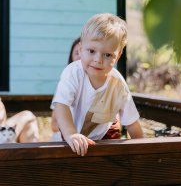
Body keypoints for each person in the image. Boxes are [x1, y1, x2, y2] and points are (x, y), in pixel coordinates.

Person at [52, 13, 144, 156]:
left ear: (118, 55)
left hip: (103, 136)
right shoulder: (73, 72)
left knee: (110, 160)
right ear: (81, 49)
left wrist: (143, 149)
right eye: (92, 51)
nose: (98, 59)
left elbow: (132, 122)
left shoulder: (117, 83)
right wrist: (71, 134)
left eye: (107, 55)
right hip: (71, 131)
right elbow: (61, 105)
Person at [50, 37, 81, 141]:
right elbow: (54, 125)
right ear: (71, 58)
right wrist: (70, 131)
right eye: (77, 53)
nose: (81, 56)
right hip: (65, 138)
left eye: (87, 51)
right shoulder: (64, 85)